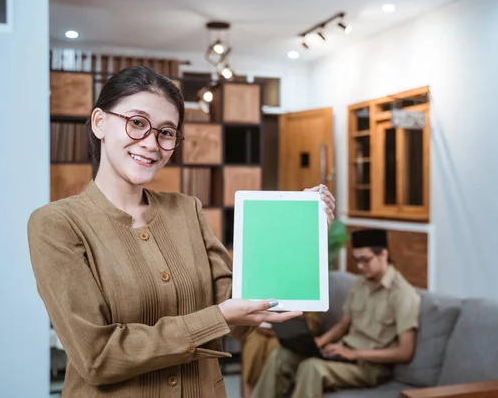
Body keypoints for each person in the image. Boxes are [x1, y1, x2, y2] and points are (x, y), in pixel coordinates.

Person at [26, 66, 336, 398]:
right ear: (100, 122)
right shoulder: (55, 224)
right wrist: (215, 318)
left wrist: (297, 227)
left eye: (166, 132)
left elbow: (237, 302)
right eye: (137, 123)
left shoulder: (187, 209)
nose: (151, 143)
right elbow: (98, 357)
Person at [251, 229, 421, 398]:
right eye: (357, 261)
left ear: (383, 254)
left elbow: (405, 352)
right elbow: (343, 324)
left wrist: (355, 354)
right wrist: (319, 342)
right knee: (281, 356)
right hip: (344, 353)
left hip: (370, 366)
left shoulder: (403, 295)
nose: (360, 267)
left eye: (365, 260)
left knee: (312, 367)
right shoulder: (361, 284)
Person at [241, 312, 321, 398]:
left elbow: (312, 324)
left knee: (276, 349)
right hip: (264, 323)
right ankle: (248, 394)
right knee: (254, 344)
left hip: (293, 330)